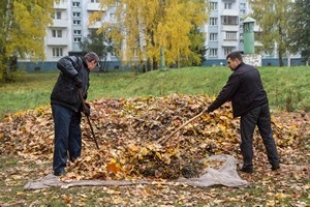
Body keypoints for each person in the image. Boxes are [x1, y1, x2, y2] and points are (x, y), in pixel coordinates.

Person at [206, 51, 280, 173]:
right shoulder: (253, 70)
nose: (228, 65)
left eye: (229, 62)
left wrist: (211, 108)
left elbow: (225, 93)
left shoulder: (237, 75)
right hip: (263, 105)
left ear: (237, 61)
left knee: (246, 138)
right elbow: (246, 89)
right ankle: (275, 163)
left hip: (250, 109)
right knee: (267, 135)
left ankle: (248, 166)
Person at [50, 52, 100, 176]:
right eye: (96, 65)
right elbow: (62, 62)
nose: (94, 68)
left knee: (75, 135)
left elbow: (81, 96)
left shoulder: (86, 75)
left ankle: (75, 162)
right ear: (92, 61)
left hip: (74, 108)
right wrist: (75, 76)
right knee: (62, 135)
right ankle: (59, 168)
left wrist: (85, 108)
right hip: (62, 104)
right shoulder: (76, 61)